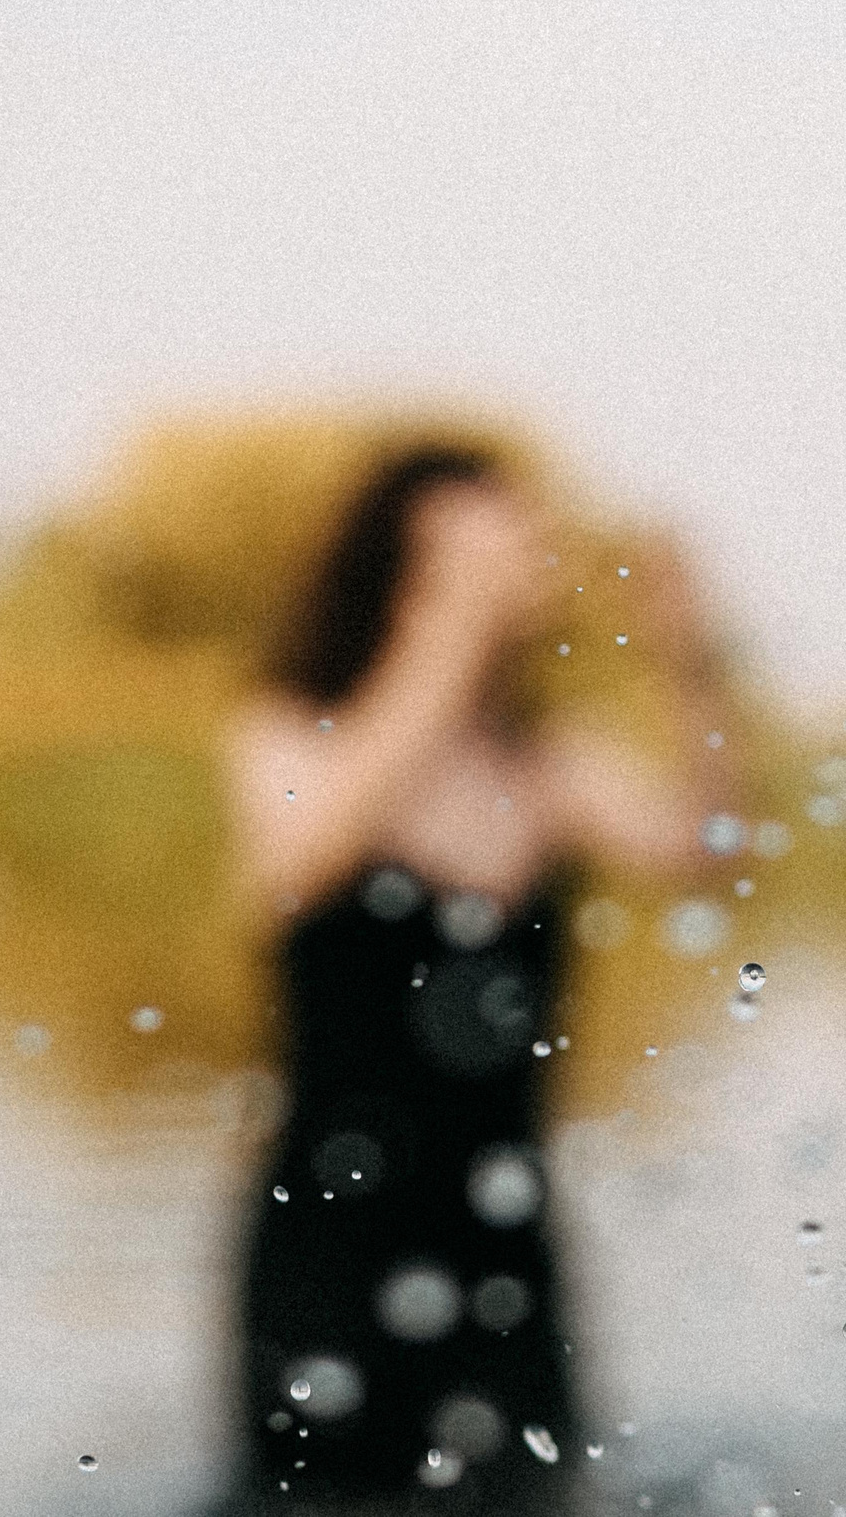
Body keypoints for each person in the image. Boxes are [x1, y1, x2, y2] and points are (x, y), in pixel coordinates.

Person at [224, 444, 729, 1512]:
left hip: (506, 1240)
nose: (519, 567)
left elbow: (710, 850)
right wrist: (456, 628)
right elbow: (298, 859)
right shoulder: (288, 731)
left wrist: (688, 662)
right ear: (401, 576)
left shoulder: (549, 766)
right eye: (473, 551)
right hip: (327, 1237)